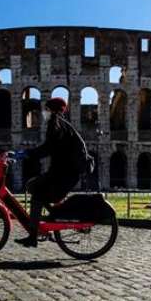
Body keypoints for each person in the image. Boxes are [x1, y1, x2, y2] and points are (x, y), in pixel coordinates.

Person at [14, 97, 91, 247]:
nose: (44, 112)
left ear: (52, 111)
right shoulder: (62, 125)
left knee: (36, 194)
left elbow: (47, 148)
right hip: (63, 174)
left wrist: (24, 154)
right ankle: (52, 216)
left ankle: (33, 236)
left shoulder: (56, 126)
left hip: (64, 176)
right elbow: (51, 149)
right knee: (32, 186)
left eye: (46, 109)